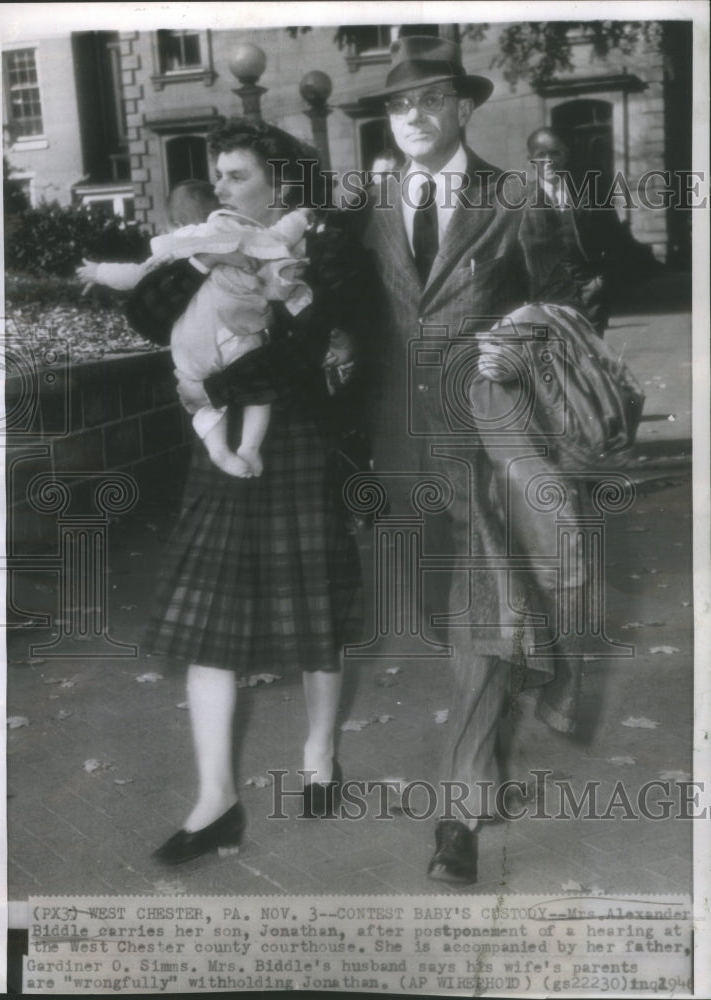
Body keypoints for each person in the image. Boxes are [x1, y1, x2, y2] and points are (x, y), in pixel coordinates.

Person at [359, 36, 589, 885]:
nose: (411, 115)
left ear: (462, 107)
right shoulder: (373, 203)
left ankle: (457, 813)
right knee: (440, 613)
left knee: (481, 621)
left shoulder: (516, 197)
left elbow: (568, 304)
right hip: (400, 449)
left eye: (428, 99)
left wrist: (517, 346)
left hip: (490, 438)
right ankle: (486, 754)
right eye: (396, 104)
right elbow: (356, 310)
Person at [123, 118, 369, 864]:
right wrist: (190, 280)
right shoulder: (205, 248)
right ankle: (215, 800)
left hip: (291, 441)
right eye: (219, 175)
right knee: (210, 616)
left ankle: (321, 754)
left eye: (235, 175)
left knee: (313, 607)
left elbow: (309, 354)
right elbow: (148, 318)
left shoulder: (320, 250)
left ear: (278, 184)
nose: (220, 188)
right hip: (220, 444)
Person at [77, 180, 315, 478]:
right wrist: (303, 213)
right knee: (260, 392)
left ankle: (218, 450)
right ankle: (249, 447)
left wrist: (98, 272)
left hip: (189, 344)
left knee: (196, 395)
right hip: (235, 334)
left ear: (175, 222)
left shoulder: (174, 247)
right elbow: (279, 235)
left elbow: (137, 276)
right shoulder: (237, 233)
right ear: (219, 210)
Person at [522, 127, 616, 337]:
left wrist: (600, 281)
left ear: (566, 155)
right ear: (531, 161)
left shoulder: (591, 192)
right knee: (552, 361)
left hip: (588, 294)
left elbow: (614, 239)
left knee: (590, 359)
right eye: (541, 155)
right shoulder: (520, 202)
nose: (549, 161)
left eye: (555, 153)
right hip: (544, 299)